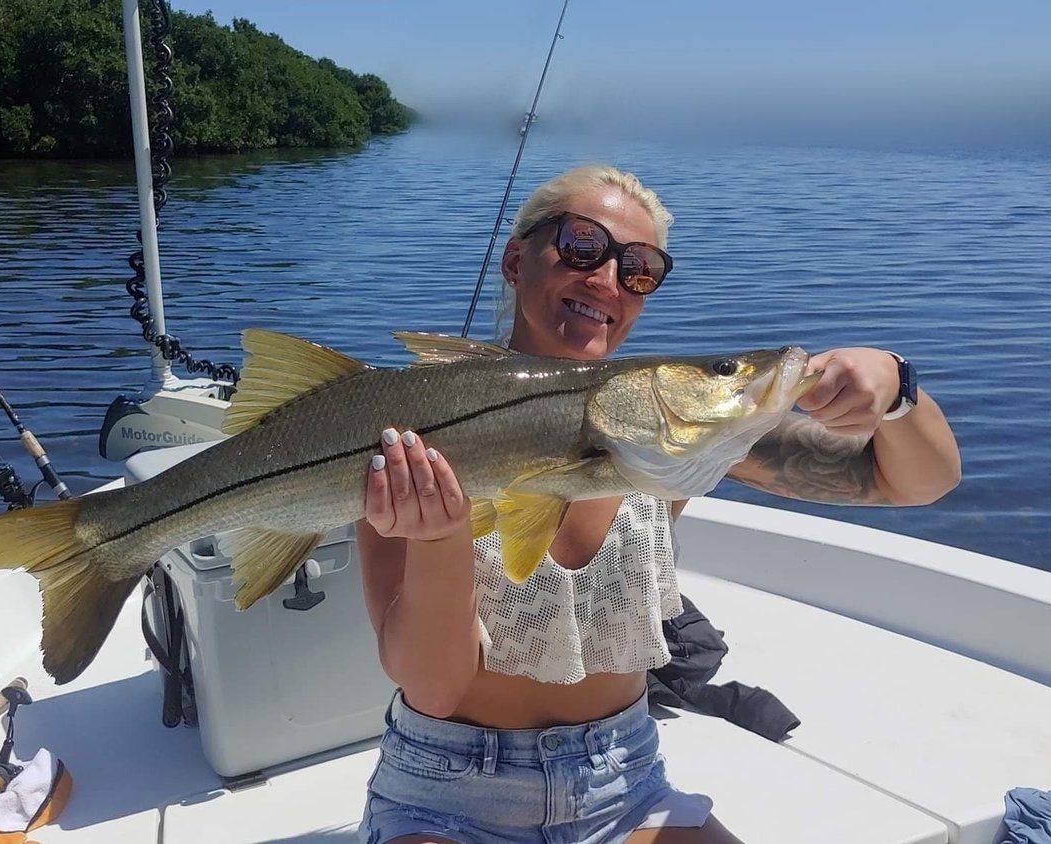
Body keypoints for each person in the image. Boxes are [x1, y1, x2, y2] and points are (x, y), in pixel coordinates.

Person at [356, 166, 961, 844]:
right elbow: (433, 689)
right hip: (448, 798)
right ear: (515, 258)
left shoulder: (673, 435)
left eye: (640, 269)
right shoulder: (413, 433)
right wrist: (439, 541)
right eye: (583, 246)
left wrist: (897, 387)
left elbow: (918, 482)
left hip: (626, 786)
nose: (606, 279)